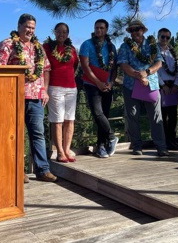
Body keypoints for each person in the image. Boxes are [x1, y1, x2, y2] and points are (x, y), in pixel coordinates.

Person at [0, 14, 57, 182]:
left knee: (38, 134)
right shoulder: (7, 44)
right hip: (13, 95)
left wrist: (45, 90)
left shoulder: (38, 47)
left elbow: (46, 70)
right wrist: (19, 68)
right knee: (14, 135)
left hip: (36, 96)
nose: (30, 30)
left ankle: (43, 170)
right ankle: (16, 171)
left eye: (33, 28)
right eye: (27, 26)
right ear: (19, 26)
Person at [118, 20, 169, 157]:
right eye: (132, 30)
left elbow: (159, 63)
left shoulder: (153, 46)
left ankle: (161, 147)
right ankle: (137, 146)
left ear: (143, 30)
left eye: (137, 29)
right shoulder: (124, 46)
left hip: (151, 84)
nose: (135, 32)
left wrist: (146, 73)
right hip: (131, 84)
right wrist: (137, 75)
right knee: (132, 116)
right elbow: (123, 64)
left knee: (156, 117)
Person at [80, 19, 119, 158]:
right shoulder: (86, 44)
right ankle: (112, 137)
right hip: (92, 84)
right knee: (97, 113)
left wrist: (111, 83)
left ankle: (101, 146)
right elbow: (85, 66)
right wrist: (97, 82)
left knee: (104, 116)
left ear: (106, 29)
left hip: (107, 85)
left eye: (102, 28)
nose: (99, 30)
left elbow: (114, 68)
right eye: (96, 28)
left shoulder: (111, 47)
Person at [43, 23, 79, 162]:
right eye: (58, 32)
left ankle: (67, 149)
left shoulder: (72, 49)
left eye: (64, 32)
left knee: (70, 120)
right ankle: (59, 151)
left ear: (68, 34)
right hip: (54, 87)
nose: (61, 34)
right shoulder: (47, 48)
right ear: (54, 32)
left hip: (71, 88)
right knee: (57, 120)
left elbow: (74, 65)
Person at [156, 28, 178, 150]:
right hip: (162, 85)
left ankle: (173, 139)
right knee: (162, 115)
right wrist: (163, 85)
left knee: (173, 115)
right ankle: (164, 141)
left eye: (167, 37)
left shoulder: (172, 52)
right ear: (158, 37)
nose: (165, 39)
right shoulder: (155, 51)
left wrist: (176, 84)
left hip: (173, 86)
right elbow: (155, 70)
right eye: (162, 37)